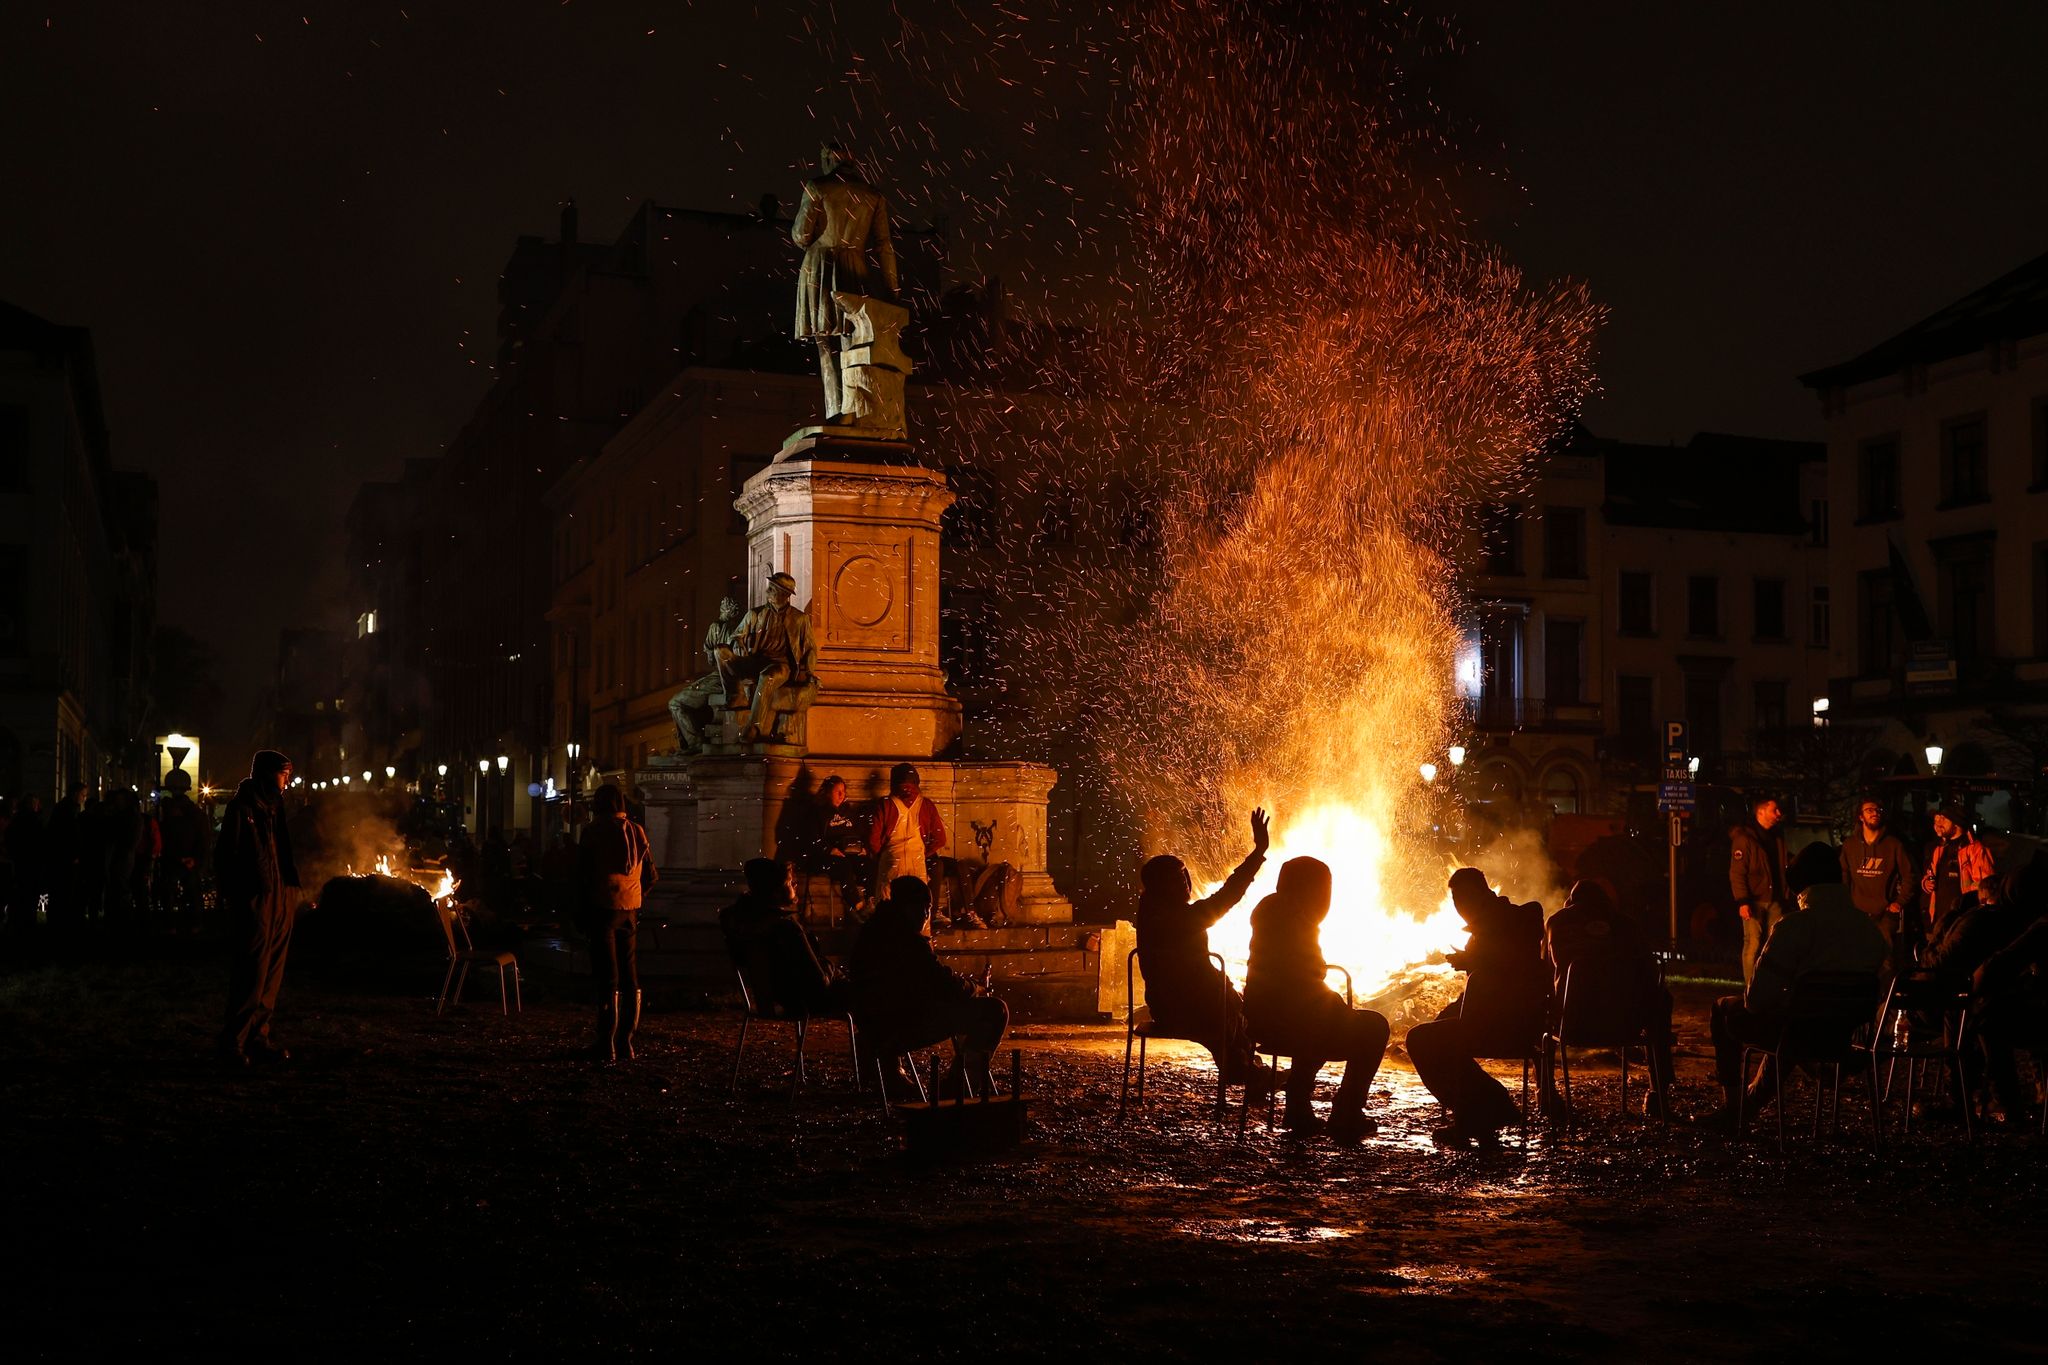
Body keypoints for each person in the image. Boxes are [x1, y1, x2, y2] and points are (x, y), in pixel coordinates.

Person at [1700, 882, 1886, 1133]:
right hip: (1842, 1035)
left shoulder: (1794, 926)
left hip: (1799, 1030)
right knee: (1795, 1022)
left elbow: (1755, 1000)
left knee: (1726, 1009)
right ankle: (1751, 1102)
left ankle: (1734, 1108)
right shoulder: (1868, 929)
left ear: (1801, 889)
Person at [1243, 856, 1390, 1143]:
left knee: (1321, 1016)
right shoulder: (1297, 917)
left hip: (1264, 1017)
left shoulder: (1267, 910)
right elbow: (1312, 970)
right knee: (1373, 1026)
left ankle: (1298, 1103)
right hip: (1291, 1019)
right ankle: (1347, 1109)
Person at [1406, 867, 1548, 1144]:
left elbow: (1510, 964)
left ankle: (1485, 1107)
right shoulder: (1481, 931)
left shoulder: (1522, 916)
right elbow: (1480, 985)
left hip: (1510, 1022)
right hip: (1484, 1018)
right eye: (1456, 902)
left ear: (1482, 893)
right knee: (1433, 1035)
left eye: (1464, 899)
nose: (1460, 908)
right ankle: (1481, 1110)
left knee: (1421, 1040)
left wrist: (1475, 961)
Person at [1135, 807, 1271, 1091]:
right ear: (1162, 887)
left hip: (1174, 1004)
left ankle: (1246, 1066)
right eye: (1176, 879)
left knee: (1233, 1004)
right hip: (1187, 1008)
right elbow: (1225, 898)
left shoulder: (1151, 913)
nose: (1185, 884)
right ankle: (1242, 1069)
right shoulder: (1174, 920)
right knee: (1237, 1011)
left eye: (1185, 875)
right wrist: (1258, 852)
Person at [848, 876, 1007, 1097]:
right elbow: (942, 985)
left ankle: (893, 1073)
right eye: (926, 907)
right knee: (995, 1010)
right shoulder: (907, 941)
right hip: (900, 1024)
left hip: (873, 1023)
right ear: (910, 907)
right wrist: (975, 988)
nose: (927, 915)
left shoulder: (872, 931)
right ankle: (958, 1087)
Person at [1542, 879, 1675, 1118]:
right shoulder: (1627, 925)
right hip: (1626, 1025)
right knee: (1662, 1000)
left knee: (1540, 1003)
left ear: (1571, 903)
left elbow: (1543, 973)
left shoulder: (1557, 922)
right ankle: (1659, 1093)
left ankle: (1547, 1093)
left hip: (1574, 1025)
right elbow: (1651, 977)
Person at [792, 139, 899, 423]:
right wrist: (892, 291)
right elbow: (885, 246)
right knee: (853, 340)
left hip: (821, 268)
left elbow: (801, 236)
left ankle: (836, 409)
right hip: (856, 269)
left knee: (825, 342)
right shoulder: (873, 195)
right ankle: (855, 409)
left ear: (828, 159)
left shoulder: (817, 187)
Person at [214, 751, 301, 1066]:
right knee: (252, 972)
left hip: (280, 897)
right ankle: (233, 1043)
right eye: (283, 774)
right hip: (256, 899)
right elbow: (227, 855)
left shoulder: (275, 808)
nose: (287, 781)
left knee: (272, 975)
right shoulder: (242, 808)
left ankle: (258, 1037)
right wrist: (237, 897)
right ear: (266, 774)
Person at [577, 783, 657, 1062]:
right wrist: (635, 894)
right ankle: (626, 1041)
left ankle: (605, 1042)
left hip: (602, 908)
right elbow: (651, 875)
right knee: (629, 974)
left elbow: (582, 874)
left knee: (606, 975)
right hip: (630, 909)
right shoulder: (637, 831)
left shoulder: (593, 831)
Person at [719, 858, 847, 1019]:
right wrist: (830, 967)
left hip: (784, 996)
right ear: (775, 891)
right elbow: (819, 984)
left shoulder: (741, 921)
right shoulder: (787, 929)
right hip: (807, 1000)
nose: (795, 884)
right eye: (790, 882)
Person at [726, 573, 820, 745]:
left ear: (784, 595)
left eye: (771, 589)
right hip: (756, 661)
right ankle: (733, 695)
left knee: (768, 676)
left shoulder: (800, 619)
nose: (767, 591)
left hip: (781, 666)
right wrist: (736, 642)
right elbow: (735, 636)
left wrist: (809, 672)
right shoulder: (755, 614)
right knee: (722, 655)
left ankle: (754, 727)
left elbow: (810, 648)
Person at [1839, 797, 1914, 972]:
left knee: (1885, 961)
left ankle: (1884, 997)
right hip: (1858, 913)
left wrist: (1899, 902)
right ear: (1860, 817)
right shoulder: (1850, 845)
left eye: (1877, 810)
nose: (1874, 813)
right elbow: (1843, 875)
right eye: (1869, 810)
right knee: (1857, 958)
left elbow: (1909, 875)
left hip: (1885, 913)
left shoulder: (1894, 845)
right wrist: (1845, 903)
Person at [667, 595, 744, 752]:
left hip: (720, 678)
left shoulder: (717, 626)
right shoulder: (742, 628)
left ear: (724, 610)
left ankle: (694, 743)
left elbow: (710, 659)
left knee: (675, 703)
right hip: (736, 679)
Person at [1729, 795, 1790, 987]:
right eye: (1775, 810)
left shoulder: (1777, 837)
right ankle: (1751, 987)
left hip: (1775, 899)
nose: (1779, 814)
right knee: (1753, 944)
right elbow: (1737, 872)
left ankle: (1770, 986)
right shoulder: (1744, 839)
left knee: (1775, 946)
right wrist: (1743, 901)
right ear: (1761, 812)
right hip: (1754, 899)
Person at [868, 762, 945, 903]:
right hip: (917, 862)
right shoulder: (927, 805)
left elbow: (873, 840)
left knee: (888, 906)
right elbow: (940, 838)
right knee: (919, 909)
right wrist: (923, 853)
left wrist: (883, 855)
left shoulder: (885, 804)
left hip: (892, 861)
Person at [1921, 803, 1994, 945]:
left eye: (1944, 819)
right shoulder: (1940, 849)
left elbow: (1988, 886)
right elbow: (1930, 874)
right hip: (1938, 922)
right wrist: (1926, 882)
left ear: (1956, 823)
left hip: (1961, 923)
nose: (1939, 823)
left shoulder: (1976, 850)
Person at [802, 775, 871, 919]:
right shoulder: (817, 813)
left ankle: (872, 899)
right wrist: (829, 849)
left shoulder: (848, 811)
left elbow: (859, 831)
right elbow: (812, 839)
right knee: (843, 866)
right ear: (827, 792)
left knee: (868, 864)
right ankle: (857, 905)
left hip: (849, 851)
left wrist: (862, 848)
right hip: (826, 856)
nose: (841, 795)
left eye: (843, 791)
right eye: (837, 791)